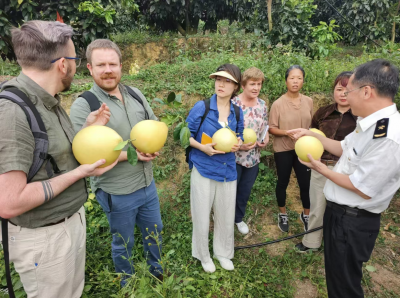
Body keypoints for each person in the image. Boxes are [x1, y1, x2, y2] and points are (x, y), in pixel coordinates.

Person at [0, 21, 116, 298]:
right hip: (44, 239)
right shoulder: (13, 112)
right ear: (63, 65)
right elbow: (9, 201)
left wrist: (87, 131)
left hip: (65, 224)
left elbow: (53, 158)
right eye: (76, 60)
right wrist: (80, 174)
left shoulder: (45, 100)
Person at [289, 59, 400, 298]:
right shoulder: (368, 124)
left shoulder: (388, 136)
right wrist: (312, 134)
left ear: (367, 91)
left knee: (344, 288)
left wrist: (322, 169)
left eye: (349, 91)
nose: (346, 97)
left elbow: (363, 188)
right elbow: (342, 147)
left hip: (353, 222)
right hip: (340, 215)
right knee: (337, 280)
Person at [69, 39, 164, 285]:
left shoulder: (135, 94)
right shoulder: (85, 106)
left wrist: (153, 144)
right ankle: (128, 283)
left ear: (121, 66)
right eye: (101, 65)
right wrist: (131, 153)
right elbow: (83, 156)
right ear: (89, 68)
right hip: (118, 190)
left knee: (154, 232)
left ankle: (157, 271)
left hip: (147, 183)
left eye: (113, 63)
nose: (108, 70)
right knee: (123, 241)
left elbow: (152, 123)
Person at [186, 64, 244, 273]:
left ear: (236, 86)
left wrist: (238, 142)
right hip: (203, 168)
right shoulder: (202, 107)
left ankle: (223, 253)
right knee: (201, 215)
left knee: (226, 214)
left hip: (227, 170)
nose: (221, 84)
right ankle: (203, 255)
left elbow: (241, 134)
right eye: (219, 79)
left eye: (228, 81)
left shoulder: (237, 111)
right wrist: (203, 147)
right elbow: (185, 135)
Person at [295, 71, 357, 253]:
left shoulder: (360, 117)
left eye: (348, 90)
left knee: (343, 209)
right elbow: (311, 135)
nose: (343, 94)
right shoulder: (323, 112)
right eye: (339, 89)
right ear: (333, 91)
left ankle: (338, 244)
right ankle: (311, 242)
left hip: (346, 169)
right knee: (317, 205)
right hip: (321, 166)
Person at [269, 65, 313, 233]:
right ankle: (283, 213)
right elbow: (272, 128)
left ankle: (306, 215)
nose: (295, 81)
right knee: (283, 182)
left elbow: (311, 125)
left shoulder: (308, 101)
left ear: (303, 80)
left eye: (299, 78)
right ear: (286, 80)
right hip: (283, 149)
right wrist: (287, 133)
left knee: (306, 184)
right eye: (292, 78)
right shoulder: (278, 104)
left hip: (304, 149)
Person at [232, 67, 269, 235]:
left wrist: (265, 138)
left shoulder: (262, 105)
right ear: (243, 85)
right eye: (252, 84)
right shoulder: (233, 104)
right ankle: (224, 219)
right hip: (234, 156)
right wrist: (239, 145)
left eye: (259, 84)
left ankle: (238, 219)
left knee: (245, 191)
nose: (256, 88)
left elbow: (264, 126)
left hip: (253, 158)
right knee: (230, 191)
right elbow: (225, 130)